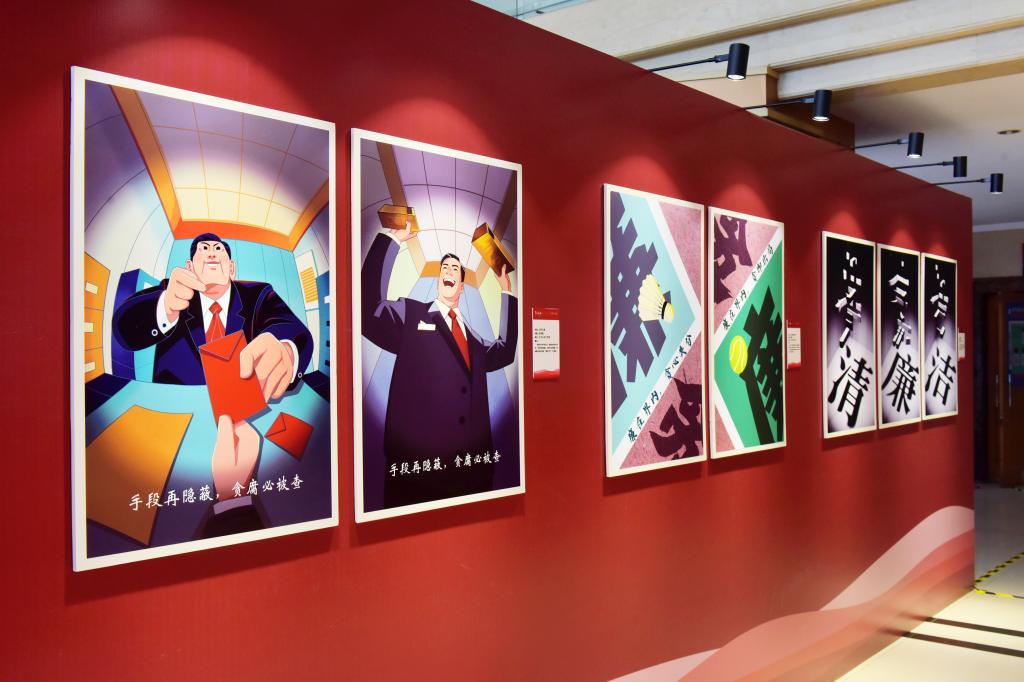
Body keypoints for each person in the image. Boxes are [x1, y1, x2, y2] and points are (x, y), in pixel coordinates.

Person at [362, 222, 518, 507]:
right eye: (444, 268)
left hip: (470, 476)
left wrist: (506, 292)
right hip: (417, 476)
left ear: (461, 285)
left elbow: (505, 351)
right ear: (438, 281)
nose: (448, 271)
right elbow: (368, 310)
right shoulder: (411, 313)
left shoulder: (473, 337)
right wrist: (391, 240)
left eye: (455, 269)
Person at [113, 233, 314, 401]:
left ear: (231, 269)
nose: (212, 253)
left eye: (218, 249)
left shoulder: (258, 294)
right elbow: (125, 329)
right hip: (175, 406)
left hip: (242, 409)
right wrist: (165, 307)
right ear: (189, 267)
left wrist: (286, 351)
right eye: (204, 249)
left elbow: (292, 328)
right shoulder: (171, 290)